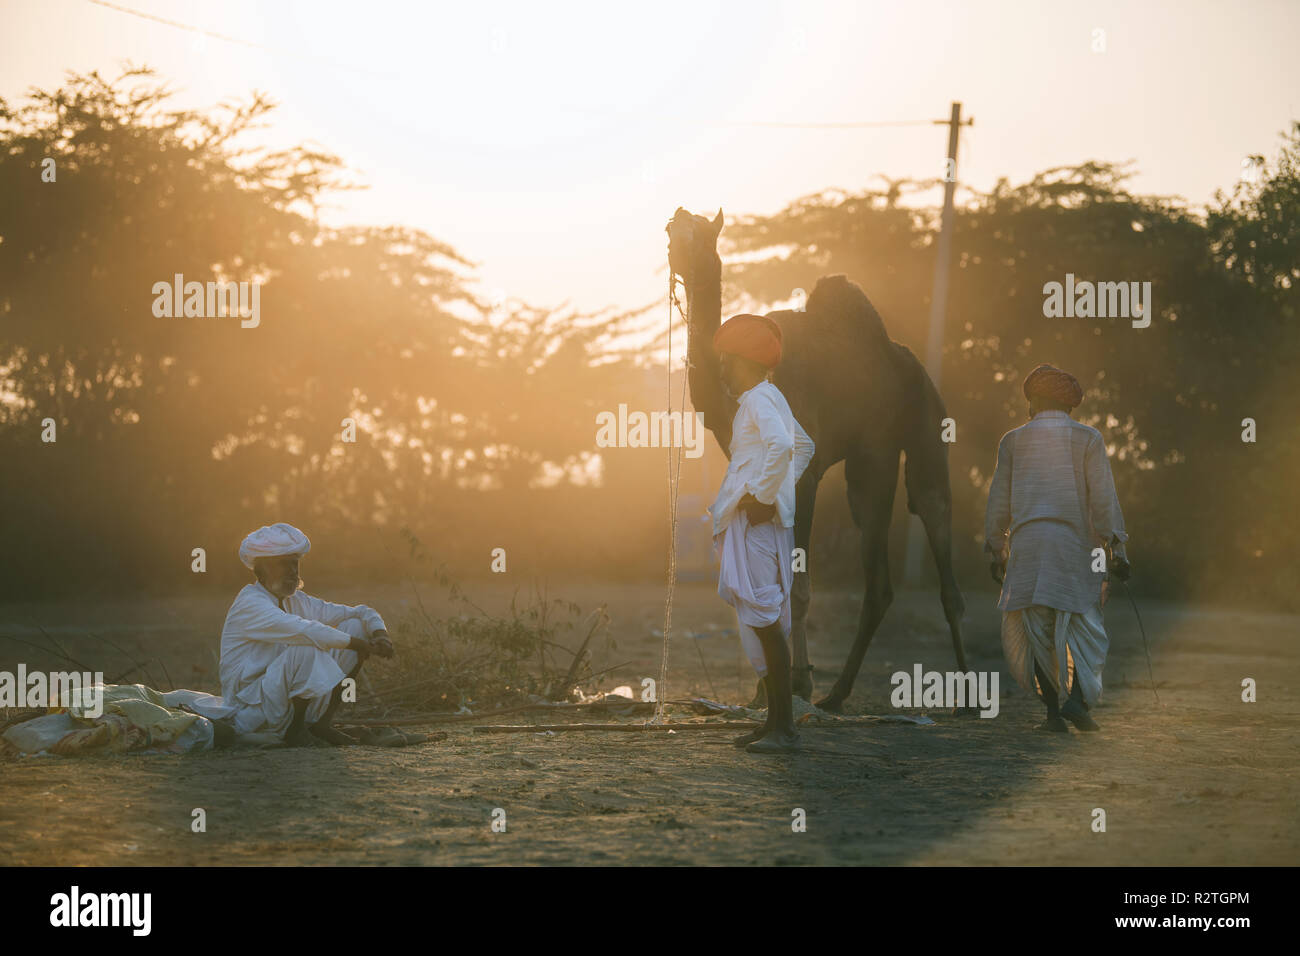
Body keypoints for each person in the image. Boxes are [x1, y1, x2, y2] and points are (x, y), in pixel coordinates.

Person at [984, 364, 1130, 732]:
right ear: (1069, 405)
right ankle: (1078, 702)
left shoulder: (1012, 440)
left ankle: (1053, 715)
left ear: (1034, 400)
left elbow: (998, 503)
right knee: (1086, 628)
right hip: (1075, 547)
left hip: (1028, 547)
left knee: (1038, 633)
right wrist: (1117, 549)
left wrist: (995, 548)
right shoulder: (1088, 438)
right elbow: (1103, 500)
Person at [709, 314, 815, 753]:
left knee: (765, 618)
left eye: (725, 361)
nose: (721, 370)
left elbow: (786, 446)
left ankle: (784, 728)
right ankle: (775, 721)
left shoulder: (756, 400)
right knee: (763, 615)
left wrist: (763, 496)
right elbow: (804, 445)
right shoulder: (770, 396)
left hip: (755, 522)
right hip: (760, 519)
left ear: (743, 363)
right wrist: (777, 494)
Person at [219, 523, 394, 746]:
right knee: (307, 646)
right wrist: (360, 646)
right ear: (261, 570)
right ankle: (295, 731)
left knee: (354, 625)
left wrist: (380, 634)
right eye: (283, 565)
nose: (293, 571)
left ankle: (321, 724)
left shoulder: (297, 600)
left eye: (295, 564)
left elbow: (360, 612)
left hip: (280, 700)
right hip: (251, 710)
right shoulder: (250, 603)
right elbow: (305, 631)